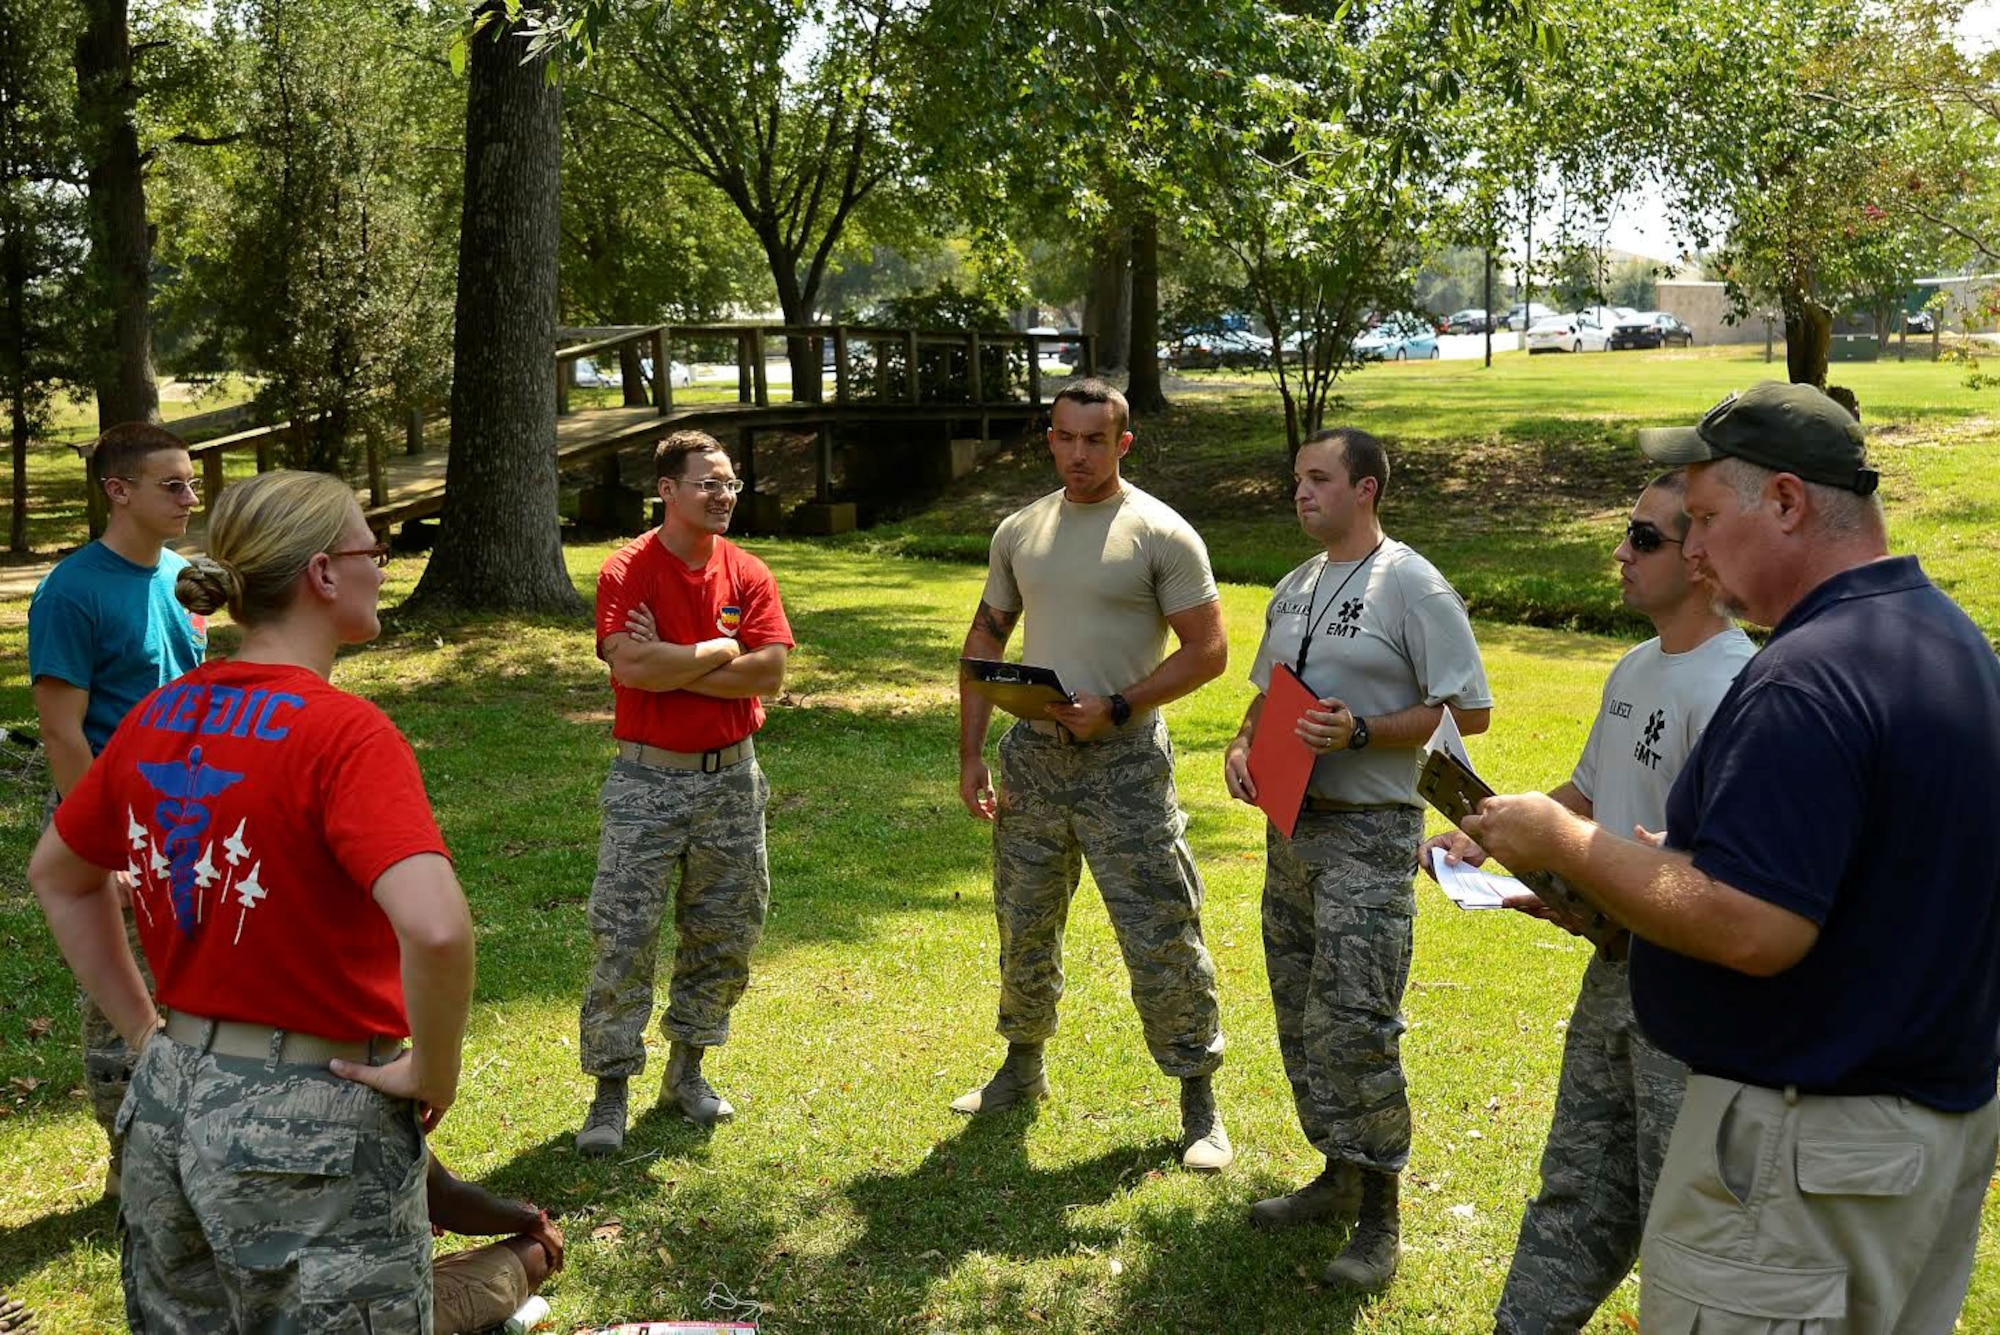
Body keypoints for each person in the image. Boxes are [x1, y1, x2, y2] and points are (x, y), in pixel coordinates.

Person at [1464, 381, 2000, 1333]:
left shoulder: (1804, 677)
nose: (1696, 548)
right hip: (1928, 1137)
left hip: (1806, 1161)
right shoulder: (1951, 644)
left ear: (1788, 502)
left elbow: (1756, 929)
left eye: (1705, 517)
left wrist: (1564, 841)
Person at [28, 469, 475, 1329]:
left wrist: (139, 1030)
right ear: (322, 573)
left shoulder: (158, 715)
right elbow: (437, 924)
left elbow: (58, 873)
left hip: (167, 1103)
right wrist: (435, 1067)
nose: (382, 565)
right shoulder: (343, 733)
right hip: (311, 1123)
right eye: (370, 549)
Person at [1419, 473, 1754, 1334]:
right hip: (1616, 970)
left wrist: (1585, 876)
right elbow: (1591, 795)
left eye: (1644, 538)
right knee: (1578, 1183)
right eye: (1625, 534)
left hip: (1695, 1002)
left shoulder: (1734, 688)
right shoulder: (1637, 667)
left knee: (1687, 1216)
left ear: (1703, 555)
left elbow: (1727, 877)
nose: (1620, 552)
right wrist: (1493, 832)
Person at [1222, 426, 1492, 1290]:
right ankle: (1337, 1174)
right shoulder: (1296, 586)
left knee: (1357, 1019)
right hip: (1292, 828)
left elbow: (1469, 711)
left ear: (1366, 490)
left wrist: (1366, 729)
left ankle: (1381, 1218)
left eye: (1318, 479)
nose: (1300, 493)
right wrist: (1240, 748)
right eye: (1295, 477)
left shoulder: (1411, 584)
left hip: (1371, 832)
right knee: (1302, 1011)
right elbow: (1267, 695)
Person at [954, 378, 1234, 1170]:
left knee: (1160, 929)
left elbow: (1208, 651)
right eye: (1065, 438)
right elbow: (985, 640)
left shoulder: (1159, 532)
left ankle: (1198, 1098)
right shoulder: (1022, 529)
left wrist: (1118, 704)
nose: (1079, 454)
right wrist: (973, 752)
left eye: (1095, 440)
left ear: (1123, 444)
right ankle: (1021, 1067)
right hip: (1034, 762)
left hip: (1125, 765)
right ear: (1049, 438)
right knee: (1024, 920)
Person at [576, 430, 792, 1154]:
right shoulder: (627, 570)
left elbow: (769, 675)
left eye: (730, 483)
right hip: (647, 780)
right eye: (708, 483)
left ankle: (687, 1072)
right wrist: (719, 649)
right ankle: (610, 1093)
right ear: (666, 490)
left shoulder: (749, 572)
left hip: (732, 778)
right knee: (625, 933)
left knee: (725, 928)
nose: (724, 495)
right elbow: (630, 666)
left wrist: (675, 661)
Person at [26, 421, 205, 1197]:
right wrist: (111, 846)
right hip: (114, 829)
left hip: (188, 821)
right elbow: (64, 733)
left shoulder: (182, 578)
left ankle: (189, 1148)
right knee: (121, 999)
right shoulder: (71, 592)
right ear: (118, 491)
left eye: (192, 482)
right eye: (172, 485)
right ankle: (127, 1169)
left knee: (191, 987)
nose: (190, 498)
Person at [428, 1155, 566, 1335]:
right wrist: (532, 1220)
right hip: (393, 1311)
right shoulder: (396, 1134)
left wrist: (429, 1194)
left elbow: (444, 1186)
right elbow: (452, 1200)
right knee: (538, 1252)